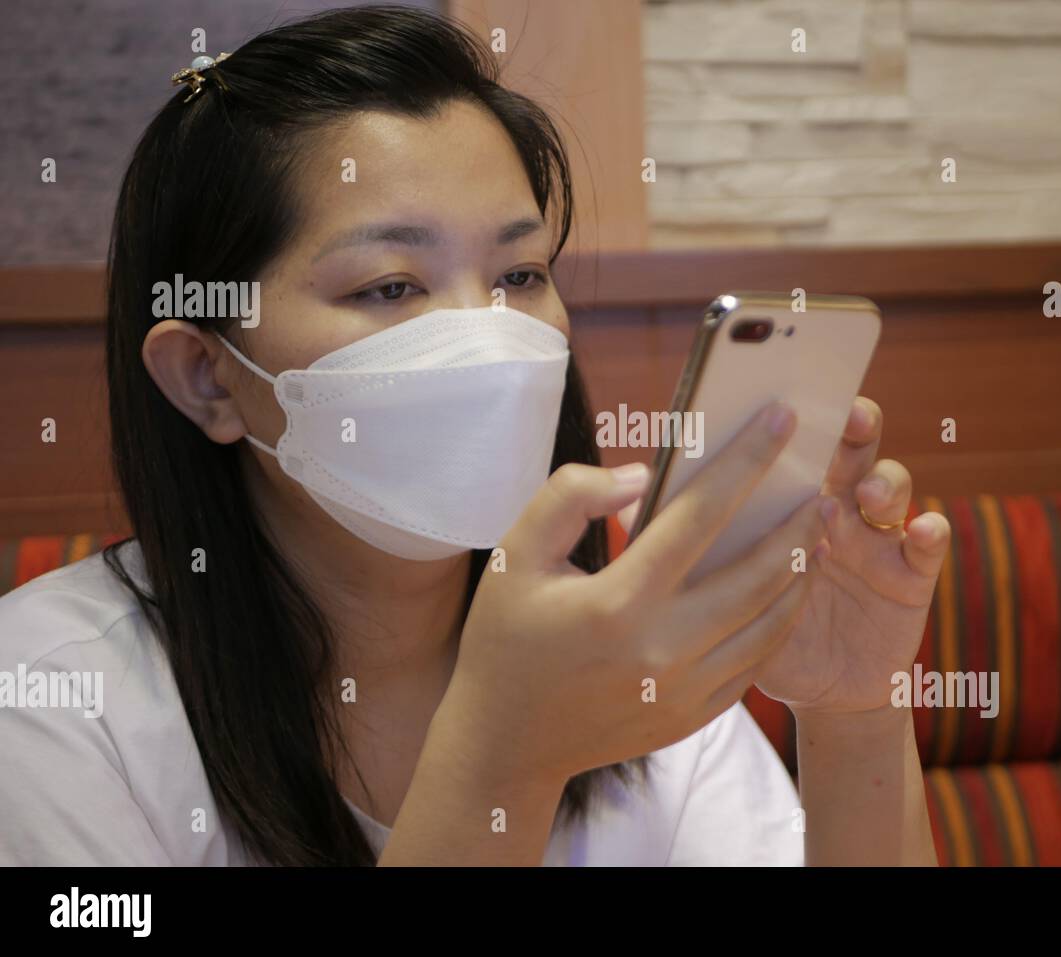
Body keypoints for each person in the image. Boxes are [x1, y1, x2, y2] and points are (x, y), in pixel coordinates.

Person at [0, 5, 950, 866]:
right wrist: (504, 757)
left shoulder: (620, 643)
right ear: (209, 376)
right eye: (390, 286)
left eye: (521, 274)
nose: (491, 341)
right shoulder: (50, 702)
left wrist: (854, 710)